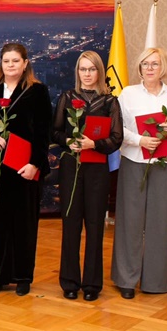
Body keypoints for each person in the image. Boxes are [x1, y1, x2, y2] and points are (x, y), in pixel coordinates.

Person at [112, 47, 167, 299]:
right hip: (135, 161)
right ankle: (126, 279)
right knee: (129, 220)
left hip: (165, 164)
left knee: (161, 222)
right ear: (139, 68)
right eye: (145, 64)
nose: (149, 68)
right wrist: (139, 141)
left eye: (154, 64)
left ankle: (155, 281)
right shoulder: (128, 94)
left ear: (163, 67)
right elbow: (118, 129)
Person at [0, 43, 50, 297]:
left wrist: (35, 164)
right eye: (6, 61)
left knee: (24, 224)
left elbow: (43, 132)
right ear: (1, 63)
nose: (10, 65)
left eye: (16, 61)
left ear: (25, 63)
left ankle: (23, 277)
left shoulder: (38, 91)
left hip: (24, 169)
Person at [52, 50, 122, 301]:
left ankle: (92, 284)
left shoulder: (110, 102)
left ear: (99, 72)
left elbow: (116, 139)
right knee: (71, 225)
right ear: (77, 72)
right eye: (83, 69)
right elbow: (56, 132)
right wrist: (69, 141)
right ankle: (69, 281)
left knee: (94, 226)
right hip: (71, 167)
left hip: (97, 170)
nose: (87, 74)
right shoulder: (67, 97)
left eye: (92, 69)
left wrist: (95, 144)